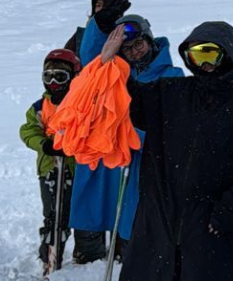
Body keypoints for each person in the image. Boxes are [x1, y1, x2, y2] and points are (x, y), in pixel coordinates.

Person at [96, 21, 233, 281]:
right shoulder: (171, 93)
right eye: (195, 55)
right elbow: (129, 100)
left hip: (213, 234)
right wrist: (110, 62)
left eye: (210, 53)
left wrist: (226, 215)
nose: (203, 63)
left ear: (228, 54)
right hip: (158, 225)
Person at [74, 14, 184, 263]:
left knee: (139, 214)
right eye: (127, 48)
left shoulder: (171, 75)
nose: (134, 52)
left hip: (149, 157)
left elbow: (175, 123)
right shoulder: (117, 74)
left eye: (138, 45)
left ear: (149, 41)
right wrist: (99, 29)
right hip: (117, 156)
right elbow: (93, 69)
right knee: (117, 208)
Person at [67, 0, 133, 263]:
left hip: (121, 127)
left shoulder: (129, 32)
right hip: (89, 127)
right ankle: (89, 252)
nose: (101, 9)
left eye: (108, 6)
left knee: (122, 194)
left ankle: (123, 248)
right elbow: (88, 63)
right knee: (90, 193)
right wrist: (101, 25)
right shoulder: (84, 35)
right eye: (97, 5)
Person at [19, 48, 99, 271]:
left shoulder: (85, 104)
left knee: (85, 214)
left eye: (60, 77)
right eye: (48, 76)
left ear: (74, 77)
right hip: (50, 170)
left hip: (81, 170)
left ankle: (89, 258)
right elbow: (28, 131)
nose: (54, 83)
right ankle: (50, 257)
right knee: (54, 215)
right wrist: (44, 144)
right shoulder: (39, 108)